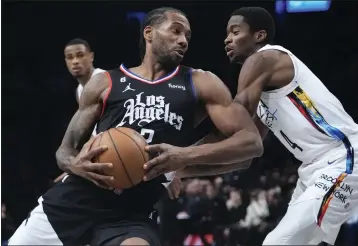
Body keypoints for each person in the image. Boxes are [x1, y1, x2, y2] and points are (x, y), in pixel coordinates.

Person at [8, 7, 263, 246]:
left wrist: (183, 158)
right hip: (77, 199)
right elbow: (64, 152)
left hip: (132, 213)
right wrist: (75, 164)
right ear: (149, 33)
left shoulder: (200, 82)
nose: (184, 40)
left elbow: (251, 143)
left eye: (187, 35)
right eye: (175, 30)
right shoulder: (106, 83)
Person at [220, 6, 357, 245]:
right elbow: (246, 152)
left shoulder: (265, 58)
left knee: (278, 243)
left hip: (344, 156)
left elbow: (233, 123)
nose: (227, 39)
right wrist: (179, 169)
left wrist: (184, 147)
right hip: (313, 170)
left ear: (258, 36)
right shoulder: (261, 98)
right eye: (226, 34)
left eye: (235, 31)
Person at [54, 38, 105, 184]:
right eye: (70, 57)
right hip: (99, 150)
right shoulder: (79, 90)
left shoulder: (104, 80)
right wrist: (74, 165)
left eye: (80, 55)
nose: (75, 61)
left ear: (91, 57)